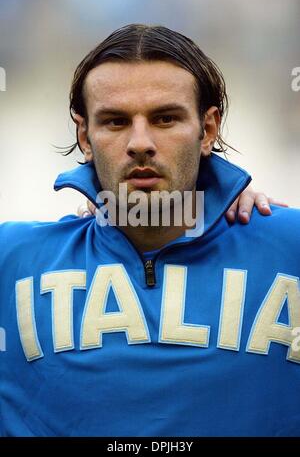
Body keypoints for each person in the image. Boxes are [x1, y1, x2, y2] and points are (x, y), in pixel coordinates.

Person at [0, 24, 299, 437]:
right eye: (116, 121)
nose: (140, 142)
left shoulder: (290, 250)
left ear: (207, 129)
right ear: (85, 135)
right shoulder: (11, 261)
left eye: (164, 118)